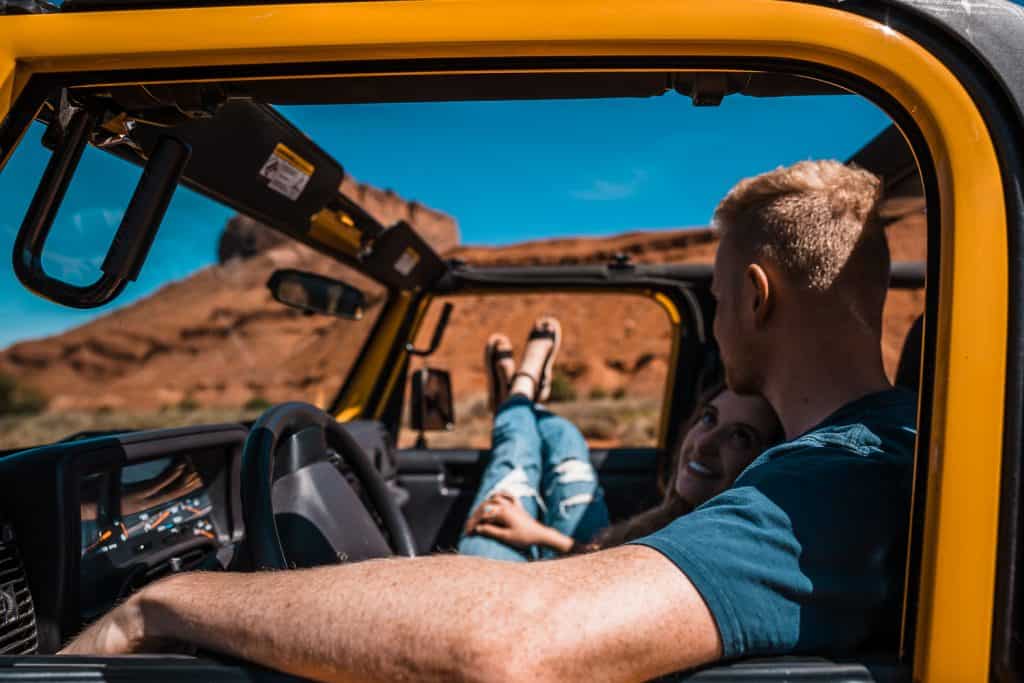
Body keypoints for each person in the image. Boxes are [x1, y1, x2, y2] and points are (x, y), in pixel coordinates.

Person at [63, 160, 917, 682]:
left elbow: (516, 649)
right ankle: (524, 404)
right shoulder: (870, 447)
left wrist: (165, 606)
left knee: (520, 463)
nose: (721, 322)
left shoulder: (828, 481)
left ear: (758, 299)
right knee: (539, 452)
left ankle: (522, 400)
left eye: (722, 301)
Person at [459, 318, 782, 560]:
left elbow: (614, 578)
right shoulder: (676, 516)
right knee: (564, 437)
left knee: (514, 458)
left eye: (740, 437)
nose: (702, 443)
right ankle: (523, 401)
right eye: (708, 418)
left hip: (564, 598)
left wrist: (537, 534)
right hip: (585, 561)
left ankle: (518, 396)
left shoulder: (723, 545)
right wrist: (548, 538)